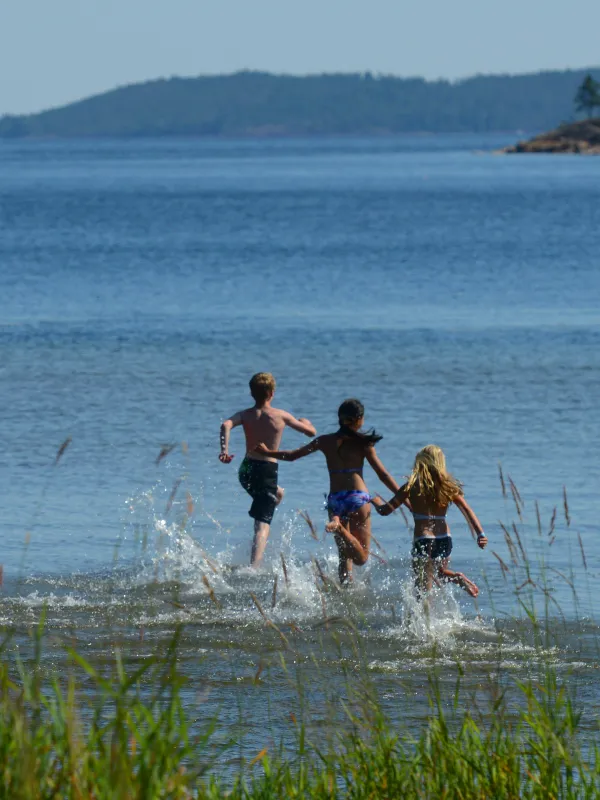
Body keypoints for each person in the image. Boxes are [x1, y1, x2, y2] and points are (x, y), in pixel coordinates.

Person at [254, 398, 400, 584]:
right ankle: (339, 527)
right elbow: (383, 475)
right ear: (360, 419)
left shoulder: (325, 441)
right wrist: (403, 497)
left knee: (344, 556)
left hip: (335, 501)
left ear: (340, 419)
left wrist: (267, 453)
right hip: (358, 498)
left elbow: (292, 456)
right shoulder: (363, 443)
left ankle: (345, 594)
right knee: (361, 558)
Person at [219, 372, 316, 567]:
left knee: (277, 494)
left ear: (251, 393)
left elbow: (225, 424)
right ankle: (254, 567)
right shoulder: (281, 415)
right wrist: (306, 422)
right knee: (261, 525)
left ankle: (265, 510)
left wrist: (224, 450)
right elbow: (311, 433)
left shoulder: (245, 415)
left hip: (246, 470)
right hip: (266, 471)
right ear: (272, 393)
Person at [371, 444, 487, 597]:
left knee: (421, 589)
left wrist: (375, 501)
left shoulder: (411, 486)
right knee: (439, 573)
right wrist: (481, 534)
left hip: (424, 538)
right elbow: (467, 510)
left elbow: (386, 510)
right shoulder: (448, 487)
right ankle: (456, 578)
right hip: (445, 538)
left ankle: (423, 620)